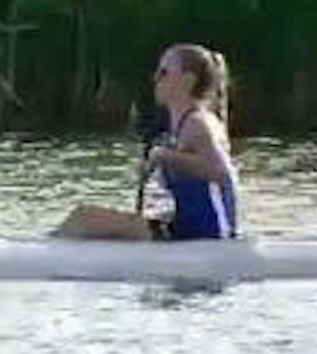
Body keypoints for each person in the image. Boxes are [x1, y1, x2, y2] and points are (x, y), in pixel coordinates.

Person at [52, 43, 239, 241]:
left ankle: (46, 254)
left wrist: (164, 155)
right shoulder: (184, 123)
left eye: (164, 72)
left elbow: (220, 171)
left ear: (188, 80)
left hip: (205, 234)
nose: (156, 78)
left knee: (84, 217)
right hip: (189, 227)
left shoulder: (197, 123)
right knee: (94, 223)